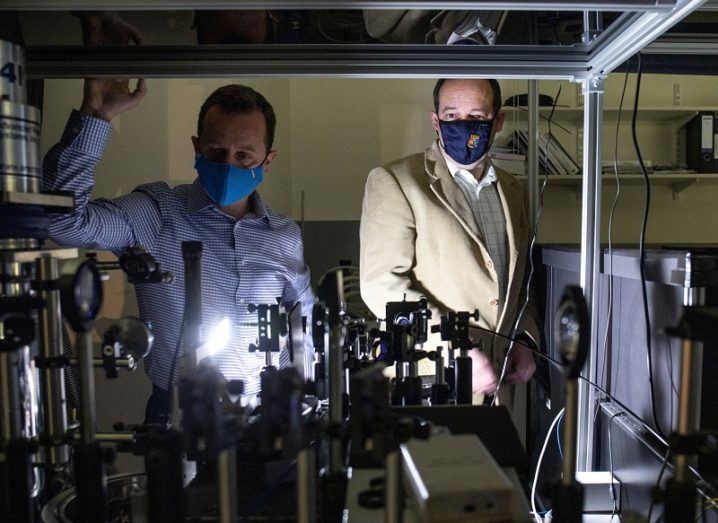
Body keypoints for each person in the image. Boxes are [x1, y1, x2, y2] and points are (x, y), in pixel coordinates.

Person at [43, 80, 314, 422]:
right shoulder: (158, 212)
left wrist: (313, 400)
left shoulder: (284, 235)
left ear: (267, 159)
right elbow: (62, 224)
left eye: (244, 156)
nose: (228, 165)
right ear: (197, 147)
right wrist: (96, 117)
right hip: (182, 415)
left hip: (272, 415)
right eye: (216, 153)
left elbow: (306, 326)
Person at [359, 78, 538, 406]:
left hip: (497, 385)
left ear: (498, 121)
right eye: (452, 116)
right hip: (428, 379)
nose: (464, 126)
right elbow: (381, 286)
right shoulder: (397, 181)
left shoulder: (513, 190)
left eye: (477, 116)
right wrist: (456, 348)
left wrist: (525, 339)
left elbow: (522, 281)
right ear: (435, 121)